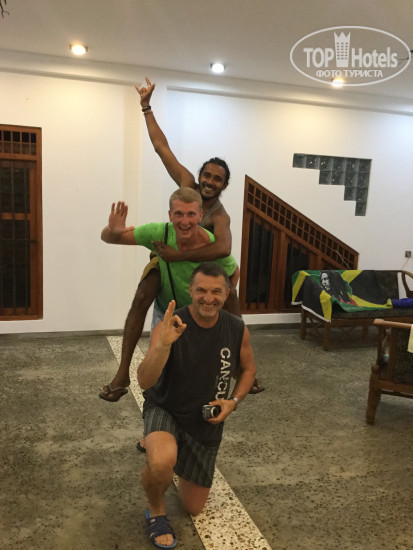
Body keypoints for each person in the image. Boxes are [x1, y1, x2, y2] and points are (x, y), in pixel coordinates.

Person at [99, 77, 263, 401]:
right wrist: (146, 108)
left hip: (197, 265)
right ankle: (122, 374)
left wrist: (180, 257)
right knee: (143, 294)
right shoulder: (186, 188)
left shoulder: (220, 216)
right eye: (207, 175)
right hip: (167, 258)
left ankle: (244, 366)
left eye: (218, 179)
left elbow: (224, 248)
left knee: (231, 298)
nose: (210, 181)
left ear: (223, 186)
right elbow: (162, 149)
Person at [139, 262, 256, 548]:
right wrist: (163, 346)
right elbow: (144, 380)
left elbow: (248, 370)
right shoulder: (170, 325)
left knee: (194, 507)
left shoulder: (236, 328)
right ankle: (156, 511)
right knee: (162, 461)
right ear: (190, 291)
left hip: (204, 420)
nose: (208, 298)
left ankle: (167, 450)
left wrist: (233, 401)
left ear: (227, 294)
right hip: (165, 407)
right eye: (201, 290)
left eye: (216, 291)